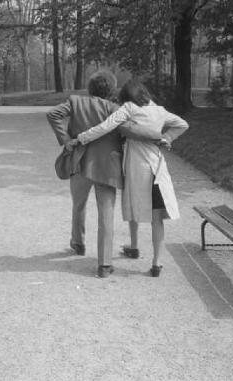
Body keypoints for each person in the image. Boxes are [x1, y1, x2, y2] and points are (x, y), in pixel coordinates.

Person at [68, 79, 189, 277]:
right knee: (157, 217)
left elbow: (105, 127)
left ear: (126, 96)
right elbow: (182, 124)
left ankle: (134, 245)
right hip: (157, 168)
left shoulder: (129, 108)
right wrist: (167, 138)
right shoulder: (160, 110)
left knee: (133, 205)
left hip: (136, 167)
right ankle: (157, 263)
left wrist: (80, 138)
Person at [46, 71, 157, 278]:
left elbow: (52, 114)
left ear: (90, 87)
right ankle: (104, 264)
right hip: (108, 167)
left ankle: (78, 243)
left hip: (79, 163)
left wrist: (66, 139)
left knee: (78, 205)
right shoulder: (115, 109)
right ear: (111, 90)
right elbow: (133, 129)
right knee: (106, 214)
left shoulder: (75, 102)